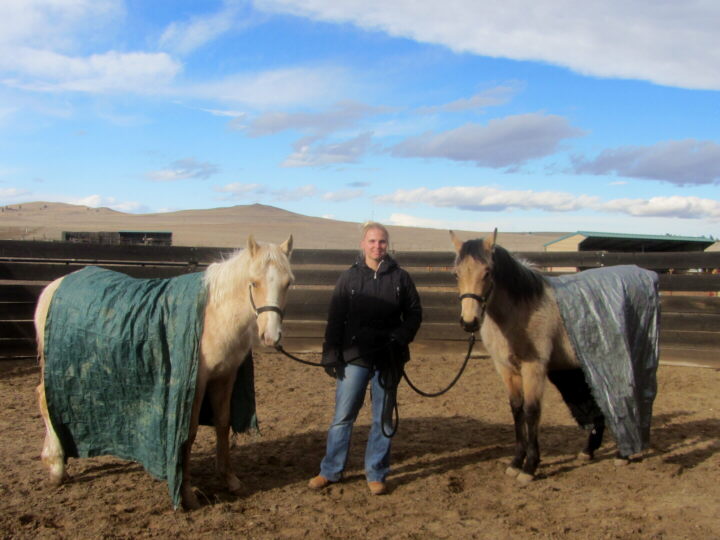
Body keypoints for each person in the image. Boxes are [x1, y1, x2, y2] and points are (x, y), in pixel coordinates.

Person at [308, 221, 422, 495]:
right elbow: (336, 317)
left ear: (387, 245)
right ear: (363, 244)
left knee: (383, 419)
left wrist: (401, 336)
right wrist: (330, 352)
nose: (377, 246)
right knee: (343, 416)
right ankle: (330, 470)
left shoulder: (401, 278)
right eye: (372, 241)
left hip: (389, 357)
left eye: (381, 241)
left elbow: (415, 313)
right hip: (354, 357)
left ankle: (376, 472)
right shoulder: (348, 278)